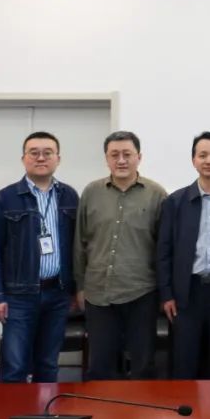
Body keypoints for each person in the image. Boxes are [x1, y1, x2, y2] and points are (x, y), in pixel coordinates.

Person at [0, 131, 79, 383]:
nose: (41, 158)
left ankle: (45, 408)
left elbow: (78, 246)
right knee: (15, 366)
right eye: (34, 153)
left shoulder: (69, 196)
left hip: (58, 293)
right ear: (23, 158)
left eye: (47, 153)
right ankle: (12, 408)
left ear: (58, 158)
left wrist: (74, 289)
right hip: (18, 295)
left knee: (48, 364)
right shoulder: (4, 199)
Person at [74, 130, 167, 380]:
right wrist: (80, 286)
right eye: (114, 155)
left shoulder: (156, 194)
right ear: (106, 158)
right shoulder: (92, 192)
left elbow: (164, 248)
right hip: (98, 293)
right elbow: (80, 242)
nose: (121, 160)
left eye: (127, 154)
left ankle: (139, 406)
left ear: (139, 157)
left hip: (142, 292)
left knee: (142, 365)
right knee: (101, 366)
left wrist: (164, 292)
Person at [157, 131, 210, 379]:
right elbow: (164, 250)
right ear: (193, 160)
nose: (209, 160)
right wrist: (167, 294)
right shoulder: (175, 201)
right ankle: (184, 405)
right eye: (202, 155)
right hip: (187, 293)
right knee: (184, 361)